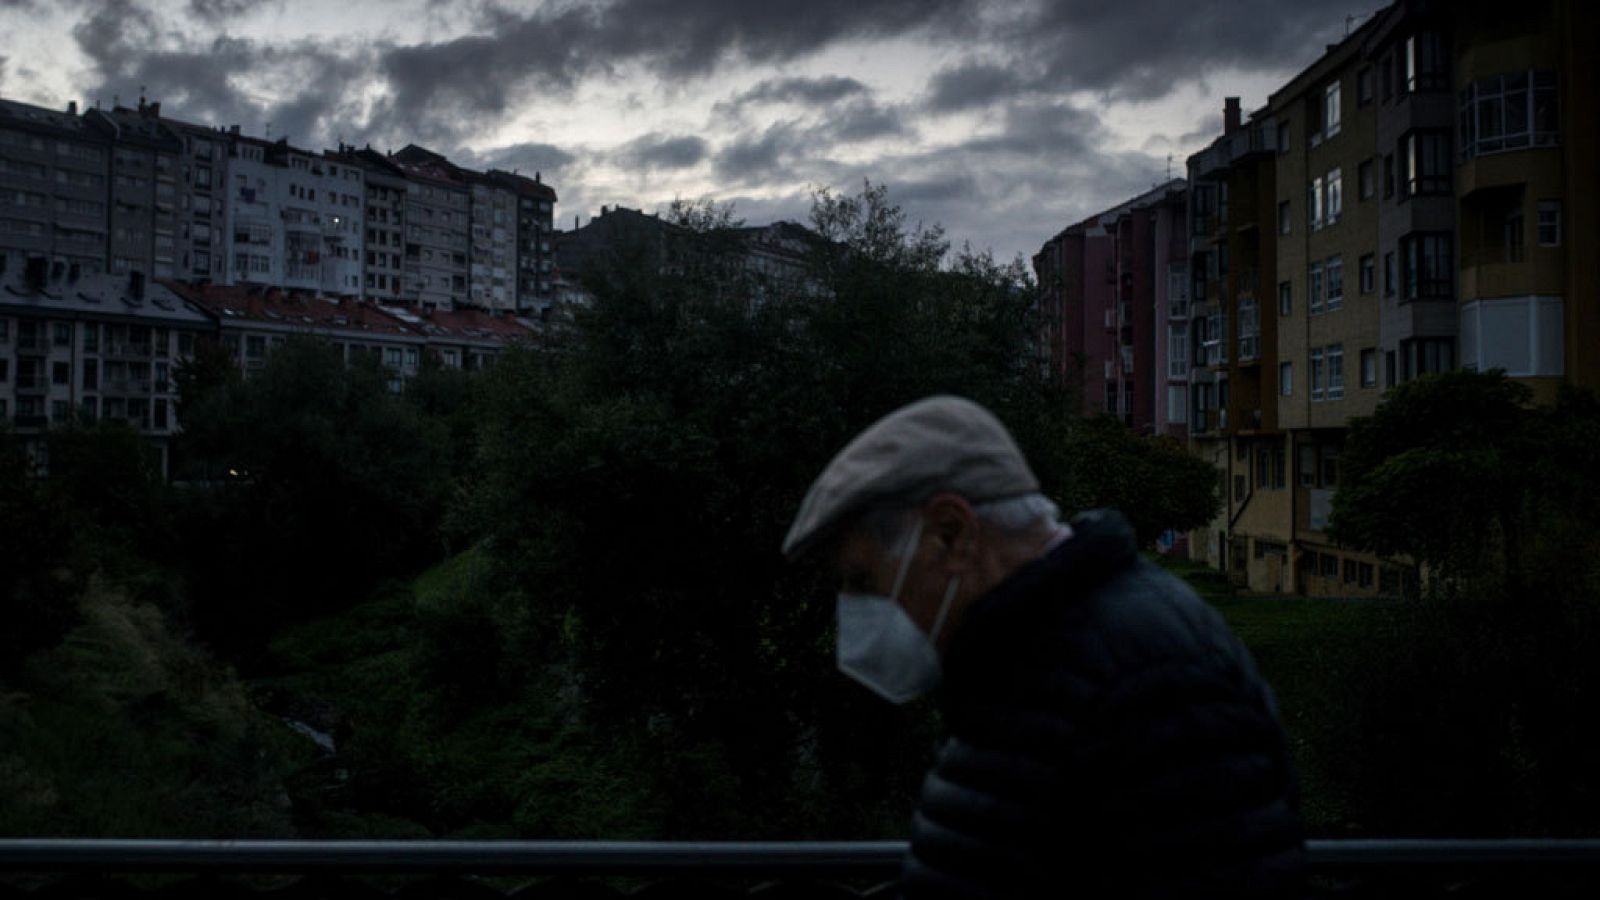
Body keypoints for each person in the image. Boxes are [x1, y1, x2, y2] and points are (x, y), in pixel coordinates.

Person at [783, 395, 1304, 898]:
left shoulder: (1151, 680)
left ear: (950, 534)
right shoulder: (1020, 663)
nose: (855, 610)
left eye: (863, 581)